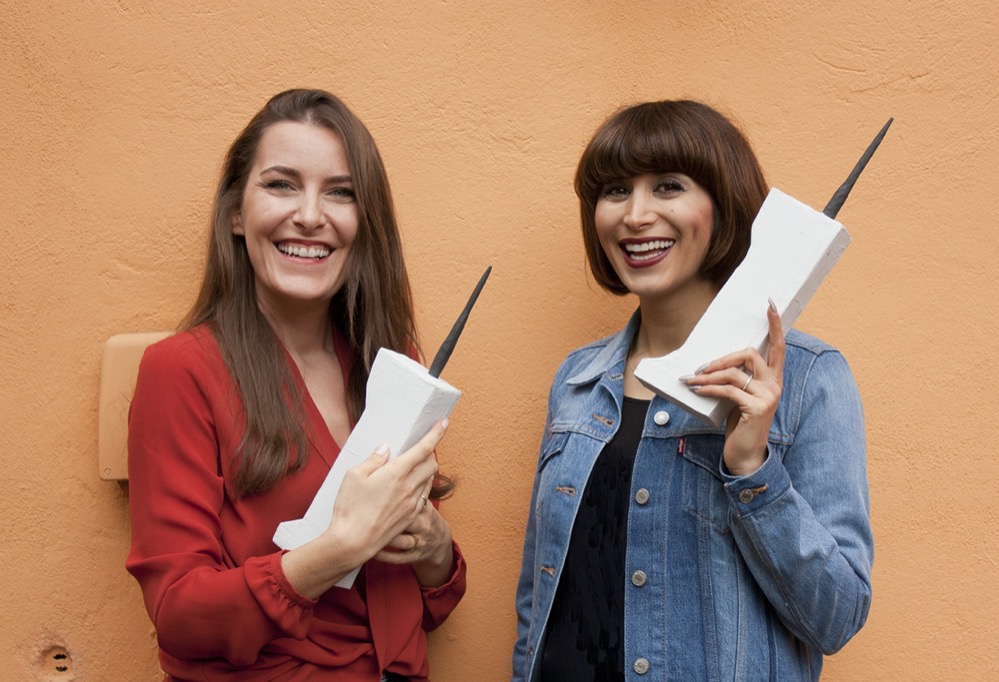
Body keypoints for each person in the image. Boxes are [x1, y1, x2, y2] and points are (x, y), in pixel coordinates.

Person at [512, 100, 872, 681]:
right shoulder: (577, 381)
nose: (635, 215)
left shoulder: (809, 378)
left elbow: (836, 617)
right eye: (614, 191)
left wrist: (753, 469)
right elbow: (541, 597)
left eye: (668, 187)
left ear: (723, 203)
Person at [127, 89, 466, 682]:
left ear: (364, 223)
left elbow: (417, 608)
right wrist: (339, 547)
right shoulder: (179, 371)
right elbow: (179, 616)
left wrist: (435, 551)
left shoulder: (390, 365)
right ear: (236, 212)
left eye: (341, 192)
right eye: (282, 184)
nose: (311, 214)